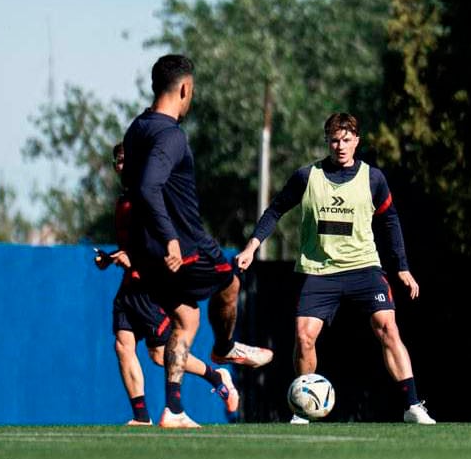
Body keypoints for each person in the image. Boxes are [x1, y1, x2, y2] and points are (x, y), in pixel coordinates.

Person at [237, 112, 435, 425]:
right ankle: (302, 409)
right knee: (304, 337)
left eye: (346, 140)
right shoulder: (307, 176)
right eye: (334, 140)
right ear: (327, 141)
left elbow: (390, 220)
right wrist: (252, 246)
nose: (340, 146)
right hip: (319, 270)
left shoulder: (373, 179)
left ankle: (413, 406)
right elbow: (275, 210)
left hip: (364, 267)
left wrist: (402, 267)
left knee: (387, 327)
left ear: (357, 141)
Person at [121, 54, 272, 429]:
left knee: (186, 318)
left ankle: (173, 409)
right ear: (184, 88)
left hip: (146, 252)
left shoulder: (136, 129)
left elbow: (135, 189)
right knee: (230, 280)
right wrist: (171, 238)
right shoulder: (171, 134)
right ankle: (224, 349)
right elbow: (147, 186)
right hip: (184, 244)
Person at [97, 140, 239, 425]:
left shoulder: (151, 200)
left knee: (162, 356)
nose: (123, 166)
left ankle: (215, 376)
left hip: (153, 286)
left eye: (128, 160)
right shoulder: (124, 202)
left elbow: (164, 245)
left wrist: (134, 260)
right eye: (119, 161)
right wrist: (112, 258)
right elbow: (132, 245)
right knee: (122, 345)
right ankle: (141, 417)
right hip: (130, 286)